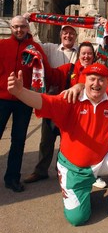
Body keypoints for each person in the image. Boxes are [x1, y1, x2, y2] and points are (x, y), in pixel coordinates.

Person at [7, 63, 108, 226]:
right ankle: (79, 191)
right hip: (74, 169)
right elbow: (44, 102)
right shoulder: (70, 99)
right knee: (78, 219)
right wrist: (20, 92)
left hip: (101, 161)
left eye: (101, 80)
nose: (96, 84)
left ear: (107, 83)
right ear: (84, 80)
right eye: (92, 79)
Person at [0, 16, 56, 192]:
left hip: (24, 100)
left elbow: (45, 71)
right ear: (11, 27)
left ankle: (12, 178)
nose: (19, 30)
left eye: (22, 27)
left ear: (27, 28)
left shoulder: (35, 48)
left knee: (18, 140)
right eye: (16, 27)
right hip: (2, 98)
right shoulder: (2, 46)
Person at [24, 24, 79, 184]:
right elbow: (34, 44)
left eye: (71, 33)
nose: (68, 36)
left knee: (67, 137)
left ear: (75, 36)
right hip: (52, 98)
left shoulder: (80, 51)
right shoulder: (50, 48)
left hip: (71, 100)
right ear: (61, 35)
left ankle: (62, 169)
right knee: (46, 138)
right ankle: (41, 170)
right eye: (65, 33)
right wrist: (29, 24)